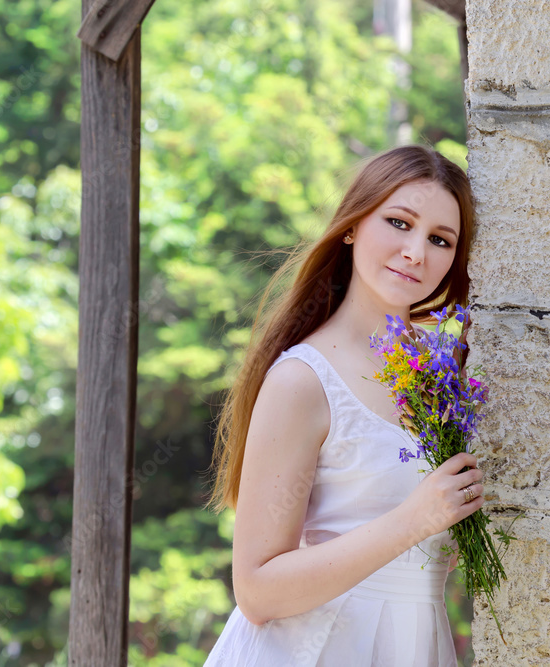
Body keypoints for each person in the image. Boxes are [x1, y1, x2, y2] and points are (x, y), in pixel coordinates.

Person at [203, 145, 484, 666]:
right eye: (399, 223)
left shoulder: (445, 378)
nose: (416, 252)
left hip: (417, 644)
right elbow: (257, 591)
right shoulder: (302, 381)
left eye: (440, 239)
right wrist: (414, 520)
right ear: (353, 225)